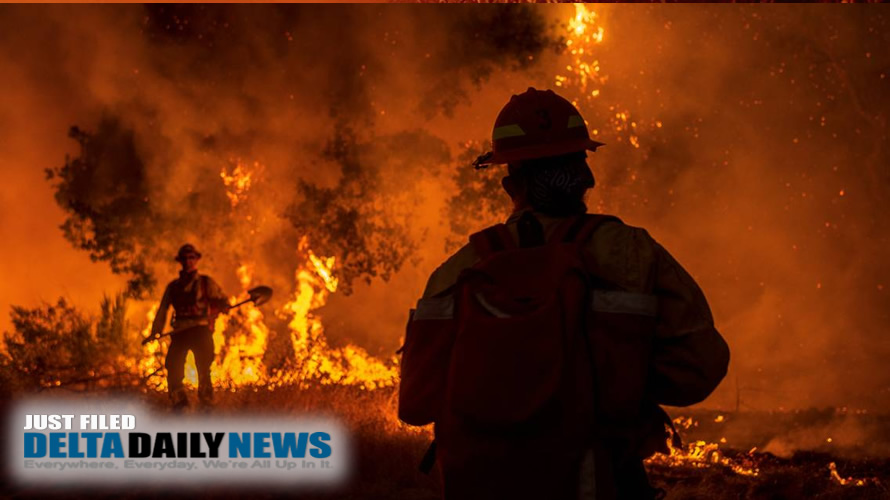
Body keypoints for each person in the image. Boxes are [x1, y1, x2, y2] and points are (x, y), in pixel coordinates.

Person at [398, 88, 730, 499]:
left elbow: (415, 403)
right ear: (584, 177)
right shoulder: (633, 252)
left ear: (508, 184)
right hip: (597, 479)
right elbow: (701, 368)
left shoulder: (460, 270)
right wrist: (616, 380)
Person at [149, 244, 229, 409]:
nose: (188, 261)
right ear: (180, 261)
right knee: (173, 366)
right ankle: (180, 403)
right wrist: (155, 332)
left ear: (197, 260)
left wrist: (223, 306)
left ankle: (207, 403)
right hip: (180, 332)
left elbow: (223, 300)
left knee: (204, 368)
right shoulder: (173, 287)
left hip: (200, 330)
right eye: (185, 258)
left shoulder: (206, 283)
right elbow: (163, 310)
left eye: (191, 258)